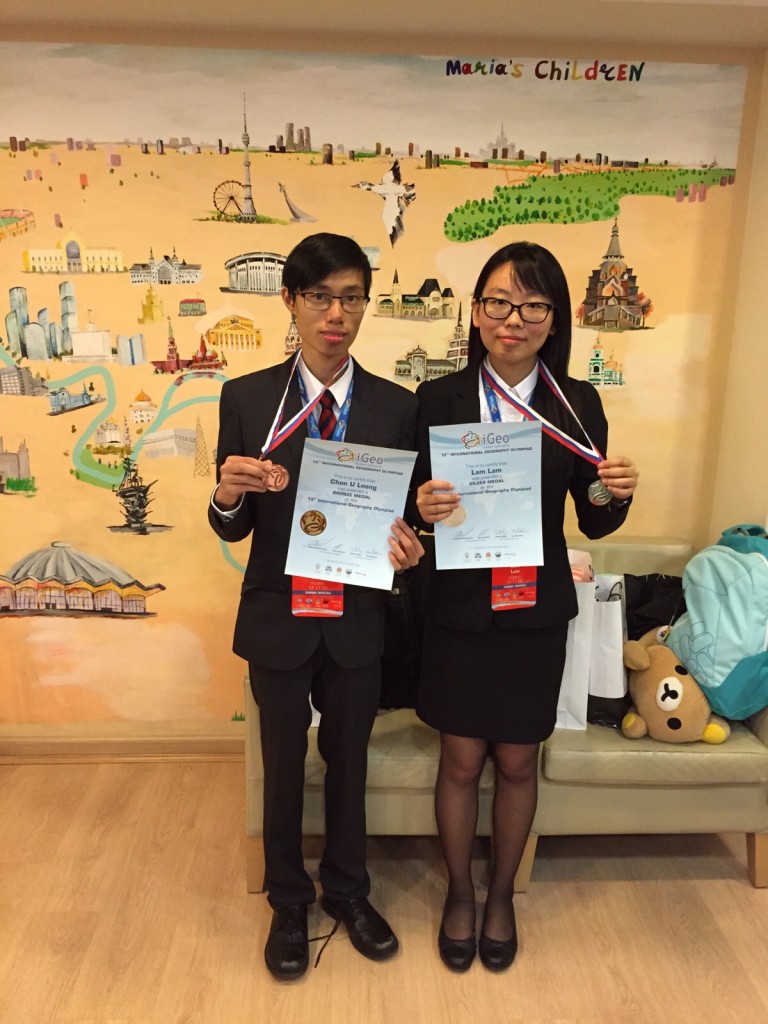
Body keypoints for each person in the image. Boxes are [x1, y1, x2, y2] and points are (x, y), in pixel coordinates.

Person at [412, 241, 638, 973]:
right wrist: (421, 507)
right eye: (500, 302)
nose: (515, 318)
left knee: (516, 761)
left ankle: (501, 895)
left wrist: (613, 491)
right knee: (459, 761)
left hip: (533, 607)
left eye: (534, 305)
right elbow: (409, 510)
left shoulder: (577, 402)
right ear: (477, 312)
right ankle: (459, 893)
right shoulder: (436, 399)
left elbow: (593, 513)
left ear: (554, 319)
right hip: (457, 607)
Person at [208, 232, 423, 981]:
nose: (337, 314)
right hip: (279, 615)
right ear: (291, 301)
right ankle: (289, 901)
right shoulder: (248, 398)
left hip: (357, 615)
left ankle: (349, 891)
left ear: (365, 305)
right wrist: (226, 494)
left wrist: (411, 543)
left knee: (349, 758)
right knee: (281, 763)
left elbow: (408, 514)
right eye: (321, 297)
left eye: (351, 298)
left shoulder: (397, 407)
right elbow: (231, 525)